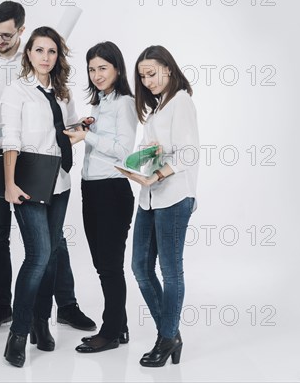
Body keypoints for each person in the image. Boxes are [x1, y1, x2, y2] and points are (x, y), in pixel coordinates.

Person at [0, 1, 95, 332]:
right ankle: (0, 306)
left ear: (21, 31)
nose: (0, 39)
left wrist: (81, 126)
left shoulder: (39, 56)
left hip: (40, 161)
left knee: (51, 241)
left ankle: (66, 305)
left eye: (7, 34)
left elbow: (62, 116)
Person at [0, 26, 79, 368]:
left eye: (51, 52)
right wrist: (9, 185)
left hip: (59, 182)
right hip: (28, 182)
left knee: (51, 257)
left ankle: (40, 322)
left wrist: (81, 130)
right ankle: (17, 334)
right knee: (39, 254)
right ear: (28, 53)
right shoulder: (16, 92)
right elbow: (11, 141)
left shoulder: (62, 93)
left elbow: (66, 134)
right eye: (39, 50)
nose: (45, 57)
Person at [118, 45, 199, 367]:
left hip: (174, 196)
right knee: (140, 267)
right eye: (142, 77)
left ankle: (166, 338)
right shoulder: (156, 108)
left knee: (170, 270)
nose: (147, 81)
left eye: (152, 74)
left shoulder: (181, 102)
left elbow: (189, 153)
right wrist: (143, 157)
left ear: (168, 68)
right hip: (150, 198)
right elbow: (161, 149)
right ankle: (171, 333)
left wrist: (159, 172)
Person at [64, 41, 136, 353]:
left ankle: (109, 331)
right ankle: (119, 325)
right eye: (92, 69)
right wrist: (85, 127)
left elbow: (124, 152)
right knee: (101, 262)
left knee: (109, 265)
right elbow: (101, 142)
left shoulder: (125, 103)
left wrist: (88, 136)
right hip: (91, 188)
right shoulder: (100, 104)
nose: (97, 74)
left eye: (102, 68)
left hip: (112, 190)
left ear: (117, 69)